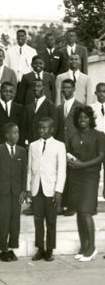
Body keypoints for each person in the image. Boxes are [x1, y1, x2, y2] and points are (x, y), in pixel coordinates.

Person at [65, 106, 105, 262]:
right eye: (80, 118)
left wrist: (83, 165)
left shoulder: (99, 136)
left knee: (86, 211)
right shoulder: (73, 136)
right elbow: (69, 154)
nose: (82, 120)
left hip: (90, 177)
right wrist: (71, 161)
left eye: (86, 117)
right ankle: (84, 245)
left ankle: (92, 247)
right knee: (79, 212)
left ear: (91, 119)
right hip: (75, 177)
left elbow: (101, 157)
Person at [26, 117, 66, 262]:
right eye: (40, 127)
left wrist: (59, 190)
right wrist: (28, 188)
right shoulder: (33, 145)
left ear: (52, 129)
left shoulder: (59, 145)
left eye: (45, 128)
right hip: (37, 188)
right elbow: (29, 169)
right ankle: (40, 249)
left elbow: (62, 170)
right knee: (37, 219)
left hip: (51, 188)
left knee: (51, 220)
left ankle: (49, 250)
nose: (41, 130)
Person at [0, 123, 27, 262]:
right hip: (4, 190)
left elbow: (24, 172)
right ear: (7, 135)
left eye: (18, 132)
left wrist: (24, 190)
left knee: (16, 220)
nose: (16, 135)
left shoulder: (22, 151)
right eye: (13, 133)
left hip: (17, 191)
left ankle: (12, 248)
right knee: (4, 219)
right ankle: (3, 249)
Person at [56, 79, 84, 216]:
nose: (65, 90)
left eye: (68, 88)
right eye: (63, 87)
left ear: (74, 89)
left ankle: (73, 206)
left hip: (75, 147)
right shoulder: (58, 108)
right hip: (62, 146)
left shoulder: (80, 107)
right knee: (63, 175)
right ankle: (62, 204)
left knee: (74, 177)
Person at [22, 79, 58, 146]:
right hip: (30, 144)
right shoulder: (28, 107)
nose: (36, 88)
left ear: (44, 88)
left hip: (45, 144)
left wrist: (47, 143)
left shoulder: (51, 106)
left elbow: (54, 127)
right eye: (34, 86)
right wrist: (26, 141)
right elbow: (24, 127)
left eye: (39, 86)